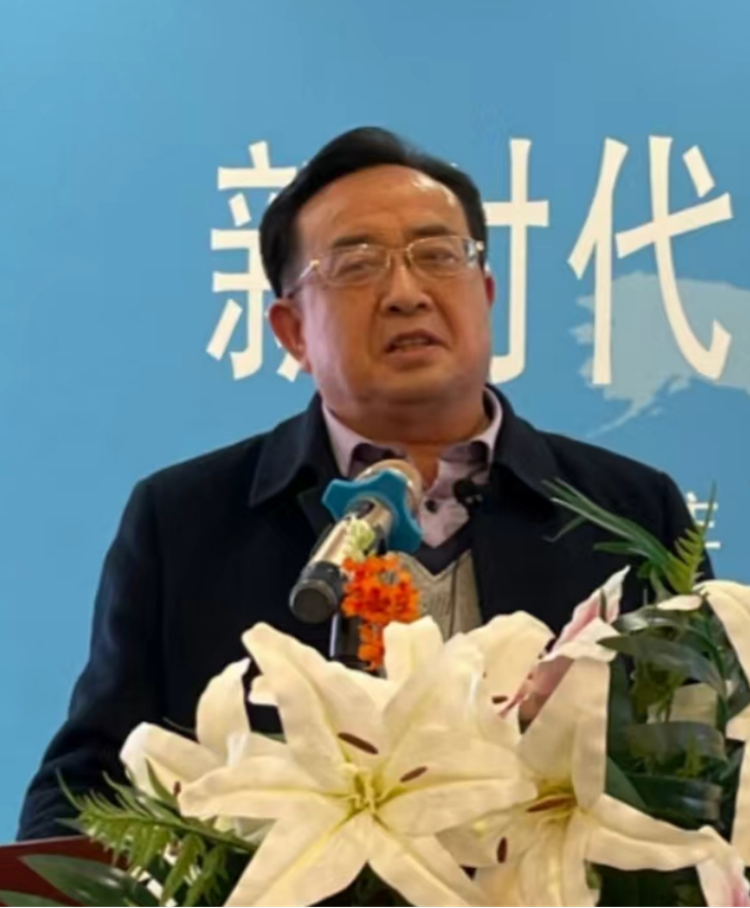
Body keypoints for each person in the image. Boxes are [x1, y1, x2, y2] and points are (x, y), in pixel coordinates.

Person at [17, 126, 710, 841]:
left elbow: (711, 767)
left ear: (486, 293)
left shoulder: (632, 510)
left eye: (438, 256)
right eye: (356, 264)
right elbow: (82, 794)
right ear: (292, 331)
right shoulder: (185, 519)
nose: (406, 293)